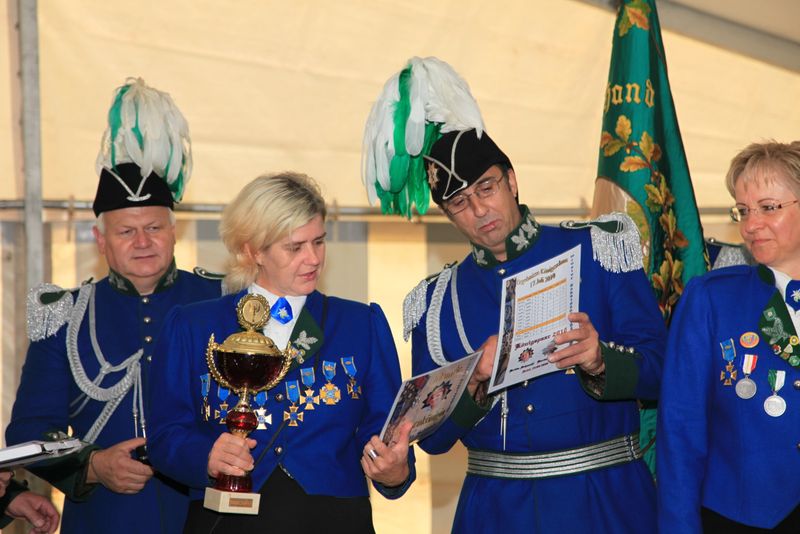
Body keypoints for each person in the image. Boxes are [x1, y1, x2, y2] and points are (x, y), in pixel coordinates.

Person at [362, 57, 666, 533]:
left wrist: (600, 360)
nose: (479, 210)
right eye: (460, 203)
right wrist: (474, 379)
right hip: (495, 512)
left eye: (487, 188)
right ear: (447, 214)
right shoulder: (435, 303)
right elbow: (433, 441)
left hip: (605, 503)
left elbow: (664, 370)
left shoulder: (599, 249)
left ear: (512, 180)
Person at [5, 78, 221, 534]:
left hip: (210, 519)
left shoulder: (221, 300)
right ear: (100, 240)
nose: (143, 242)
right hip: (105, 520)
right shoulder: (64, 315)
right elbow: (29, 431)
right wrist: (93, 466)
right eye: (126, 232)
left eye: (154, 228)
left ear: (174, 232)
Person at [147, 172, 415, 533]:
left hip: (334, 522)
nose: (313, 258)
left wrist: (395, 471)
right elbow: (165, 436)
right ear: (253, 250)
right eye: (295, 247)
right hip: (227, 522)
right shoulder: (193, 326)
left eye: (318, 242)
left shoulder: (360, 324)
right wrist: (206, 456)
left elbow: (387, 432)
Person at [658, 140, 800, 532]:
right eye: (743, 210)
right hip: (745, 516)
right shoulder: (712, 299)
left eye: (768, 207)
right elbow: (680, 431)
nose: (750, 225)